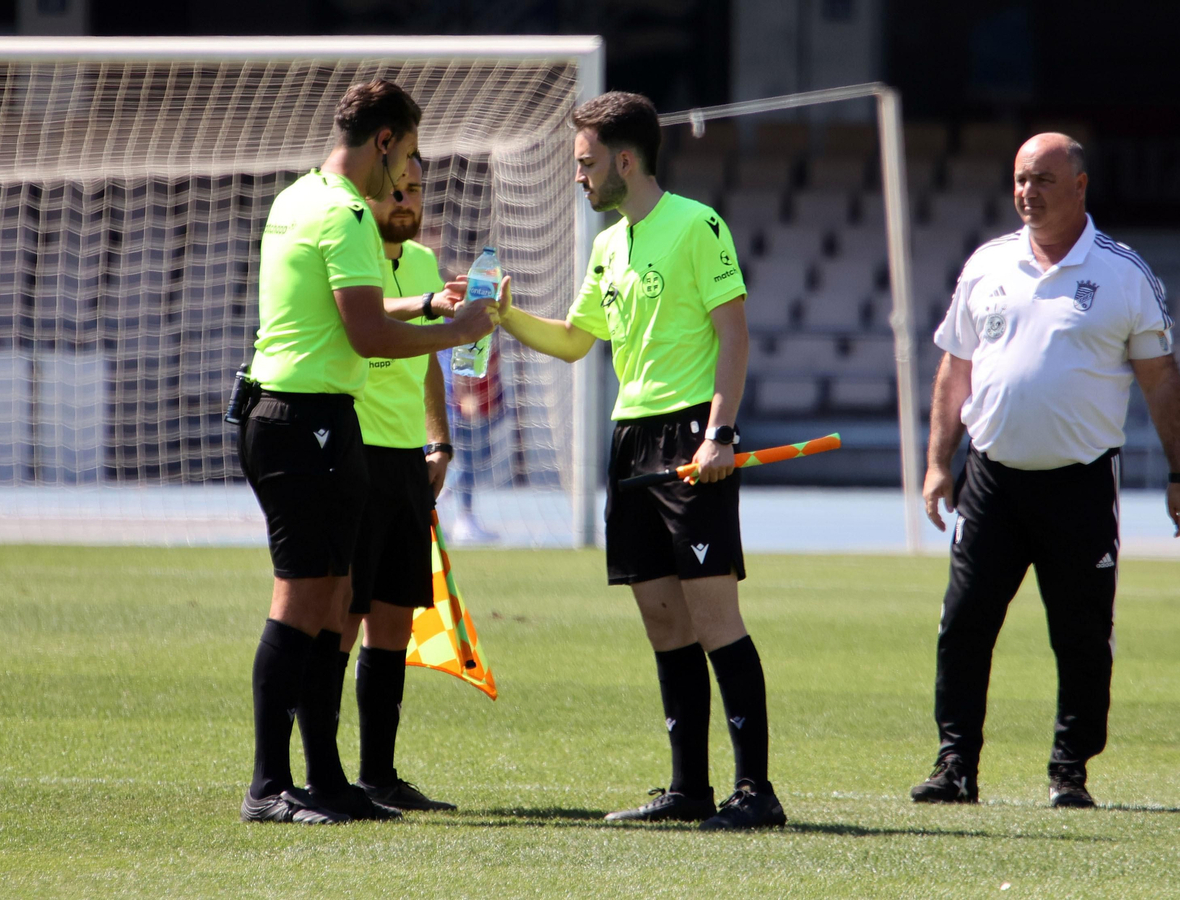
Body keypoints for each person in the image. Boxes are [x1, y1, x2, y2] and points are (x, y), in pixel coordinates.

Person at [495, 91, 785, 830]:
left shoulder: (697, 224)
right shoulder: (607, 245)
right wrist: (501, 314)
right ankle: (689, 790)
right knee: (663, 620)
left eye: (586, 164)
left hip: (692, 435)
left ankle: (755, 792)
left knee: (716, 616)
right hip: (630, 443)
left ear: (626, 160)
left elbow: (735, 336)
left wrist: (721, 433)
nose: (579, 178)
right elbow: (571, 340)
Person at [911, 133, 1180, 809]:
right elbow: (956, 368)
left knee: (1080, 634)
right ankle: (956, 764)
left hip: (1079, 484)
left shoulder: (1124, 273)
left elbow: (1161, 382)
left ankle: (1069, 770)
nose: (1026, 192)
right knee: (964, 625)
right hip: (991, 481)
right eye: (1018, 179)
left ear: (1080, 186)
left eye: (1042, 179)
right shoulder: (986, 264)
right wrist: (936, 464)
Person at [237, 80, 495, 825]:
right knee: (303, 601)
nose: (410, 171)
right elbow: (365, 336)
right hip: (304, 419)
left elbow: (357, 307)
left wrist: (425, 305)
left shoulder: (299, 198)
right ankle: (267, 786)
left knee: (326, 604)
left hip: (296, 414)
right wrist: (458, 332)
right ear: (384, 142)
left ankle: (327, 781)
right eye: (408, 152)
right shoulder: (349, 212)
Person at [335, 152, 468, 812]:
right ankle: (317, 774)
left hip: (405, 461)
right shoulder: (351, 245)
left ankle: (377, 777)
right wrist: (425, 306)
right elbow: (371, 318)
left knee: (392, 620)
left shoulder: (422, 263)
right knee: (342, 617)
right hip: (350, 451)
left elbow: (432, 356)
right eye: (398, 189)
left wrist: (438, 439)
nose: (408, 201)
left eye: (417, 189)